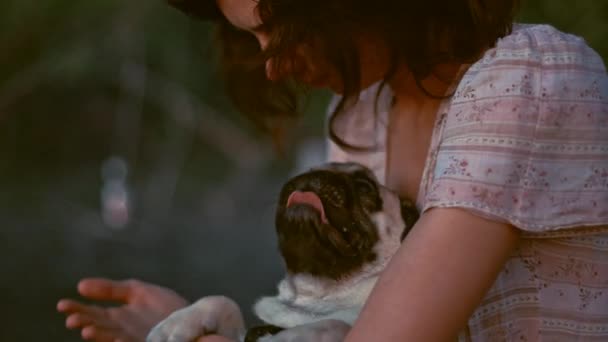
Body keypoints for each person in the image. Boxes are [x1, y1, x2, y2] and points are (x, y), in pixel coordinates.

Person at [58, 0, 608, 341]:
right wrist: (187, 320)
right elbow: (338, 327)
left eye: (282, 28)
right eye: (252, 40)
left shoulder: (528, 79)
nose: (272, 66)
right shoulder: (360, 118)